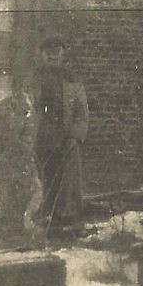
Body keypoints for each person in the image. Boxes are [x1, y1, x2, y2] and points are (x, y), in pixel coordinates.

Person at [28, 36, 90, 237]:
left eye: (57, 52)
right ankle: (41, 219)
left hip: (65, 139)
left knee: (68, 182)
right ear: (42, 55)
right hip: (40, 139)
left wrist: (75, 135)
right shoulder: (33, 80)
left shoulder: (72, 81)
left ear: (63, 55)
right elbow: (23, 108)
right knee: (40, 180)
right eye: (48, 52)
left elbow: (82, 112)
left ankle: (68, 223)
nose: (53, 56)